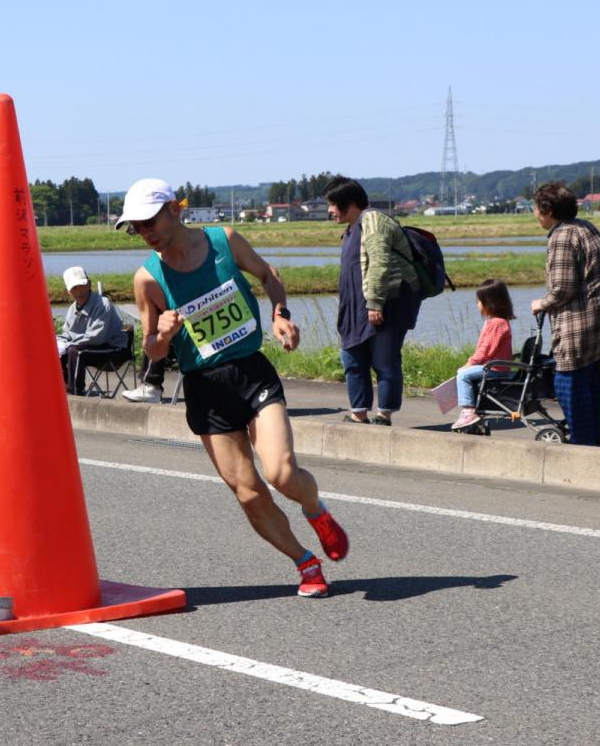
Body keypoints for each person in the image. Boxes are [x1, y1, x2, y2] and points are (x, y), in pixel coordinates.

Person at [118, 178, 348, 598]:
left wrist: (280, 314)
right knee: (248, 490)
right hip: (205, 390)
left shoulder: (223, 241)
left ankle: (316, 509)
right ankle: (305, 563)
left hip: (250, 372)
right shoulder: (147, 279)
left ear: (174, 209)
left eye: (149, 221)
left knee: (280, 472)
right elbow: (150, 351)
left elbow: (267, 273)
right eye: (135, 227)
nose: (144, 232)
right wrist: (163, 337)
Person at [527, 182, 600, 447]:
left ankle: (581, 446)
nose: (535, 214)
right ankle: (596, 441)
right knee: (594, 387)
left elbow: (562, 289)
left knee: (569, 385)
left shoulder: (562, 236)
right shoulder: (586, 227)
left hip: (579, 325)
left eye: (536, 208)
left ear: (547, 210)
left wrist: (540, 303)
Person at [326, 176, 421, 426]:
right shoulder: (352, 228)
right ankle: (359, 413)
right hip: (357, 308)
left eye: (334, 204)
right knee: (352, 359)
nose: (330, 210)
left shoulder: (373, 220)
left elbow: (379, 262)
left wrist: (375, 303)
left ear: (350, 202)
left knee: (384, 361)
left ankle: (384, 415)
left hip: (387, 304)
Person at [56, 266, 130, 396]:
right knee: (57, 351)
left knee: (76, 351)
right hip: (92, 348)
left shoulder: (103, 304)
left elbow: (96, 337)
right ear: (68, 291)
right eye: (74, 288)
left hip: (115, 348)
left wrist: (67, 345)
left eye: (82, 285)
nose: (79, 291)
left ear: (89, 284)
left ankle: (75, 393)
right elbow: (68, 333)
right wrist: (58, 343)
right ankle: (64, 389)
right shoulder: (72, 309)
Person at [452, 280, 514, 431]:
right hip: (494, 366)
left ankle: (468, 411)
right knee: (465, 373)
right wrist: (471, 361)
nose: (477, 305)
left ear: (489, 303)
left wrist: (470, 363)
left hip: (496, 368)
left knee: (463, 375)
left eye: (479, 301)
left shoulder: (496, 323)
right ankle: (472, 410)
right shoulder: (496, 322)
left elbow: (486, 350)